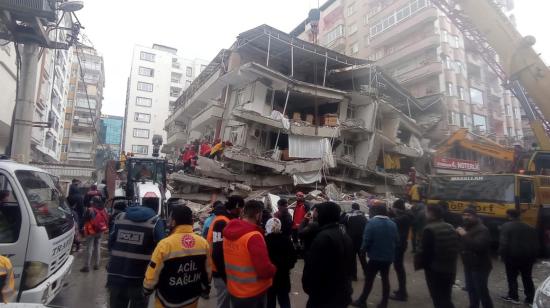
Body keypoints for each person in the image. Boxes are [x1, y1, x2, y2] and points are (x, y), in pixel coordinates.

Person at [144, 203, 210, 308]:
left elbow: (153, 271)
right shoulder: (203, 243)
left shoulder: (165, 244)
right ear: (192, 221)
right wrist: (206, 288)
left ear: (174, 222)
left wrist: (147, 288)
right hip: (192, 300)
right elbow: (207, 271)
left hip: (167, 301)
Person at [107, 202, 165, 308]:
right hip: (139, 278)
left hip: (115, 276)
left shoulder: (120, 217)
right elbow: (162, 250)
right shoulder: (155, 222)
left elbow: (110, 244)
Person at [223, 200, 276, 308]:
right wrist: (274, 268)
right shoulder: (253, 236)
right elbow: (264, 270)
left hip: (234, 289)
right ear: (257, 215)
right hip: (253, 292)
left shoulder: (228, 231)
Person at [302, 202, 354, 308]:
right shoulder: (344, 235)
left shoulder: (323, 237)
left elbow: (313, 269)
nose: (315, 215)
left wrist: (310, 288)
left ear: (324, 215)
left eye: (317, 213)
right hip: (342, 293)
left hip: (324, 296)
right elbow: (351, 267)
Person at [351, 205, 399, 308]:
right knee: (385, 279)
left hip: (375, 257)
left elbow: (366, 239)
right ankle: (384, 302)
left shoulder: (371, 223)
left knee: (369, 280)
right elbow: (396, 240)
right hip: (388, 257)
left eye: (371, 211)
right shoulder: (393, 224)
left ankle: (362, 301)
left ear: (376, 212)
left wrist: (363, 251)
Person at [414, 204, 459, 308]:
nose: (425, 214)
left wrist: (421, 264)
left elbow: (426, 252)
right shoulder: (450, 226)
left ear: (431, 214)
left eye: (426, 212)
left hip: (436, 270)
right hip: (450, 268)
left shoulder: (429, 229)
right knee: (446, 297)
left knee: (438, 298)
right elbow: (455, 245)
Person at [207, 195, 245, 308]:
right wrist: (225, 276)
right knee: (223, 304)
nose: (242, 211)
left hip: (225, 269)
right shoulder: (222, 222)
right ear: (237, 207)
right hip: (221, 270)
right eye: (241, 208)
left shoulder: (227, 219)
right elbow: (217, 253)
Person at [499, 209, 539, 305]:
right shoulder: (530, 227)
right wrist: (534, 257)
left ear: (509, 216)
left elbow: (504, 243)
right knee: (527, 278)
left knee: (512, 277)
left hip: (512, 257)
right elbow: (535, 244)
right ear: (519, 216)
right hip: (527, 257)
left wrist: (501, 254)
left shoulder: (506, 226)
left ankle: (513, 296)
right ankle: (530, 299)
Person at [457, 207, 494, 308]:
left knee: (481, 291)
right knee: (471, 289)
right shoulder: (466, 226)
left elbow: (478, 246)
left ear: (475, 217)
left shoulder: (482, 229)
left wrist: (464, 235)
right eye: (464, 215)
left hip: (480, 266)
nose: (466, 217)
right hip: (469, 264)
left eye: (469, 215)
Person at [265, 218, 297, 308]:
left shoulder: (265, 240)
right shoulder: (286, 240)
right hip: (283, 277)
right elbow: (293, 258)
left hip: (269, 278)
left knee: (269, 302)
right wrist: (287, 266)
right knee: (284, 301)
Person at [389, 199, 414, 301]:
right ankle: (401, 290)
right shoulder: (406, 216)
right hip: (401, 244)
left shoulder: (403, 218)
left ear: (397, 209)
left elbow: (391, 221)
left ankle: (402, 294)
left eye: (394, 208)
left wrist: (389, 213)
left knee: (399, 269)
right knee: (399, 268)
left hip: (399, 245)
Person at [340, 202, 368, 281]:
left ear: (352, 208)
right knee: (362, 258)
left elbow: (340, 221)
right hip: (361, 240)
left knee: (352, 259)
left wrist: (344, 213)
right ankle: (367, 274)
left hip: (351, 240)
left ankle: (353, 276)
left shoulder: (348, 216)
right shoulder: (363, 217)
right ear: (359, 208)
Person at [81, 196, 109, 272]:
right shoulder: (104, 209)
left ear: (93, 202)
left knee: (89, 248)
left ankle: (86, 266)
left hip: (91, 231)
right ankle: (96, 265)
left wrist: (81, 230)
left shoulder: (90, 210)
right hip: (100, 230)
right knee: (97, 246)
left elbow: (84, 220)